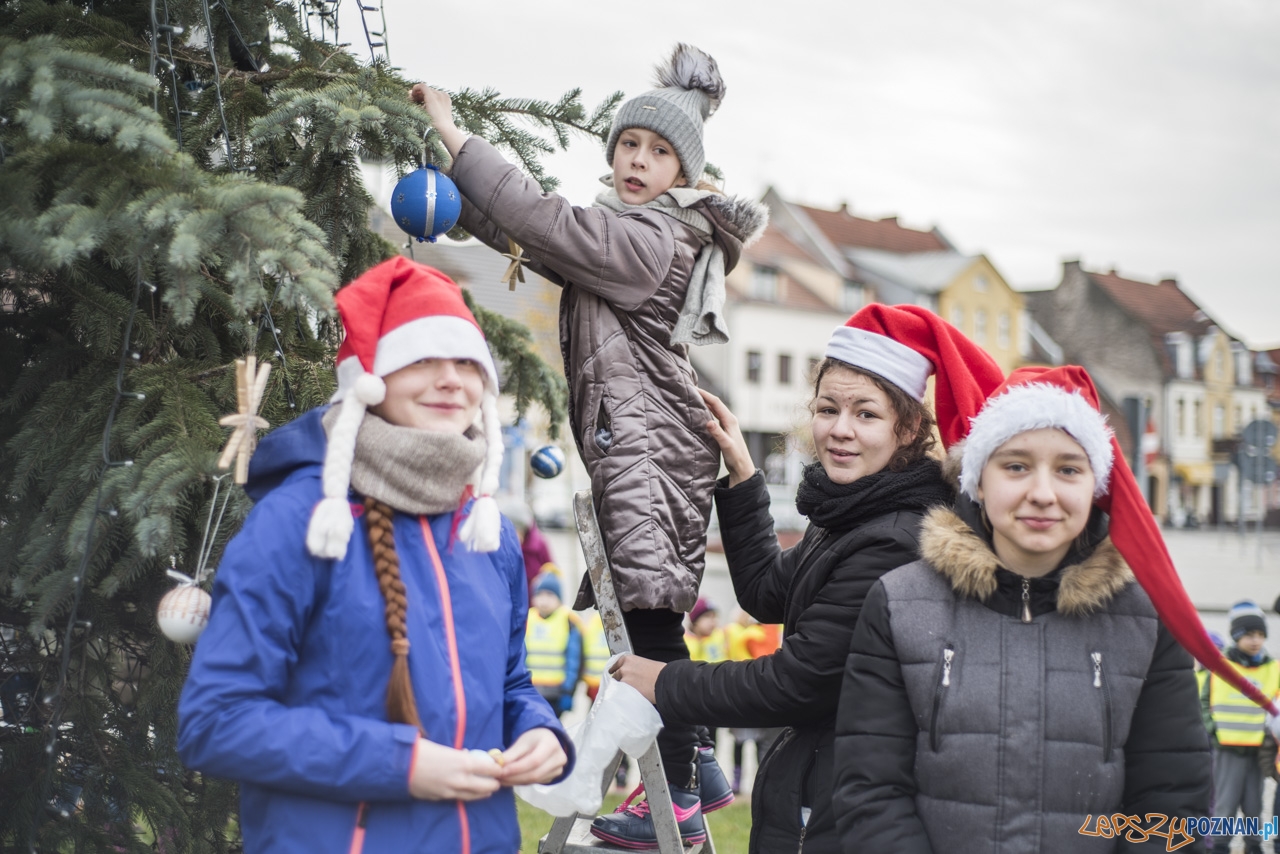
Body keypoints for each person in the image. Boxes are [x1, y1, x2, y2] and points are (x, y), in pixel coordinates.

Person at [412, 43, 767, 848]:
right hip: (644, 446)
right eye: (629, 145)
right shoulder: (634, 231)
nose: (638, 160)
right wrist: (455, 190)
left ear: (684, 170)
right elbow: (537, 239)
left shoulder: (651, 243)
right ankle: (697, 771)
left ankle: (672, 795)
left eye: (659, 152)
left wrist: (458, 137)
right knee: (651, 618)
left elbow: (545, 222)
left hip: (650, 449)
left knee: (647, 624)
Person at [177, 258, 573, 853]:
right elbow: (216, 722)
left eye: (467, 362)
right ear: (370, 380)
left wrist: (541, 730)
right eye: (423, 360)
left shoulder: (485, 533)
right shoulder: (299, 521)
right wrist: (400, 763)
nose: (451, 380)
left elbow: (510, 682)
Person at [611, 304, 1005, 853]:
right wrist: (744, 474)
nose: (839, 430)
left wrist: (665, 682)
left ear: (909, 427)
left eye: (865, 414)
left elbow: (794, 685)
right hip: (819, 786)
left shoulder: (895, 539)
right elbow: (768, 591)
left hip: (843, 804)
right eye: (827, 409)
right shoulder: (854, 511)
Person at [833, 364, 1218, 853]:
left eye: (1068, 469)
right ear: (978, 481)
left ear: (1094, 484)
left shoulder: (1144, 618)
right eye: (1016, 466)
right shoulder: (899, 605)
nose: (1042, 493)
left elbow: (1171, 803)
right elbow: (870, 793)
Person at [1203, 601, 1279, 854]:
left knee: (1254, 805)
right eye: (1248, 635)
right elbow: (1204, 701)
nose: (1255, 640)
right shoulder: (1221, 666)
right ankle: (1220, 847)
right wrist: (1212, 729)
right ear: (1236, 637)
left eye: (1260, 635)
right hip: (1227, 747)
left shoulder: (1274, 668)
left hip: (1259, 749)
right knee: (1225, 805)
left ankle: (1254, 847)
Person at [525, 570, 583, 719]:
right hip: (530, 691)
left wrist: (569, 691)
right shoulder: (527, 619)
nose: (544, 600)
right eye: (540, 594)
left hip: (556, 694)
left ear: (559, 598)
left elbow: (574, 659)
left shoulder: (568, 621)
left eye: (550, 595)